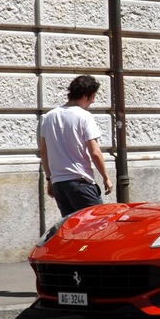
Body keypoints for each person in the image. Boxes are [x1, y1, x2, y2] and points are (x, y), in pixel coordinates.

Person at [40, 75, 113, 217]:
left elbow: (44, 152)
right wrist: (105, 177)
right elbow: (95, 152)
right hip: (81, 183)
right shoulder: (84, 116)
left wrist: (50, 179)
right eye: (93, 97)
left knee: (72, 230)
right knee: (98, 226)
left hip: (59, 185)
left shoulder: (49, 117)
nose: (93, 100)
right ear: (85, 96)